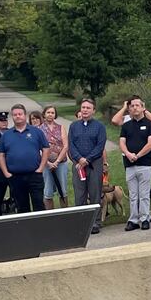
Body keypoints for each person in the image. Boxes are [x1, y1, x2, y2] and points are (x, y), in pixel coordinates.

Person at [0, 104, 50, 216]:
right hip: (15, 177)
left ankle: (41, 230)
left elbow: (46, 149)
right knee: (21, 207)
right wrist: (6, 173)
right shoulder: (6, 135)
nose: (17, 116)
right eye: (15, 115)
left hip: (34, 175)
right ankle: (27, 232)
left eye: (20, 114)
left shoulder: (36, 132)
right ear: (12, 117)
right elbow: (1, 155)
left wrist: (41, 168)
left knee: (38, 205)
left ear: (25, 115)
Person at [117, 97, 151, 231]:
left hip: (145, 163)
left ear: (142, 107)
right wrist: (128, 154)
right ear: (129, 109)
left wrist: (138, 155)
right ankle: (133, 220)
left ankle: (145, 218)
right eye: (132, 106)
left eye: (137, 105)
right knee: (133, 194)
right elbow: (122, 142)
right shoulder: (126, 125)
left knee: (144, 194)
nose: (135, 108)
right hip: (129, 164)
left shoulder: (150, 124)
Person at [67, 98, 108, 232]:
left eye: (88, 108)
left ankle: (95, 222)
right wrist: (79, 159)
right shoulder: (74, 126)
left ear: (93, 111)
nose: (85, 110)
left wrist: (88, 159)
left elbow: (100, 145)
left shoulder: (99, 126)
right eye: (83, 107)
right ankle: (81, 223)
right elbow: (71, 144)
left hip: (94, 164)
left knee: (95, 193)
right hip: (78, 165)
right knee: (80, 194)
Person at [35, 105, 69, 212]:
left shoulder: (61, 127)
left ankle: (64, 216)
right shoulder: (39, 129)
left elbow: (66, 146)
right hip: (46, 164)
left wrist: (57, 161)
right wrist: (48, 163)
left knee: (62, 189)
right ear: (44, 114)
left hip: (61, 163)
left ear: (55, 115)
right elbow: (38, 147)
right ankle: (50, 215)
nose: (50, 114)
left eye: (52, 113)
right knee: (48, 190)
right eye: (48, 112)